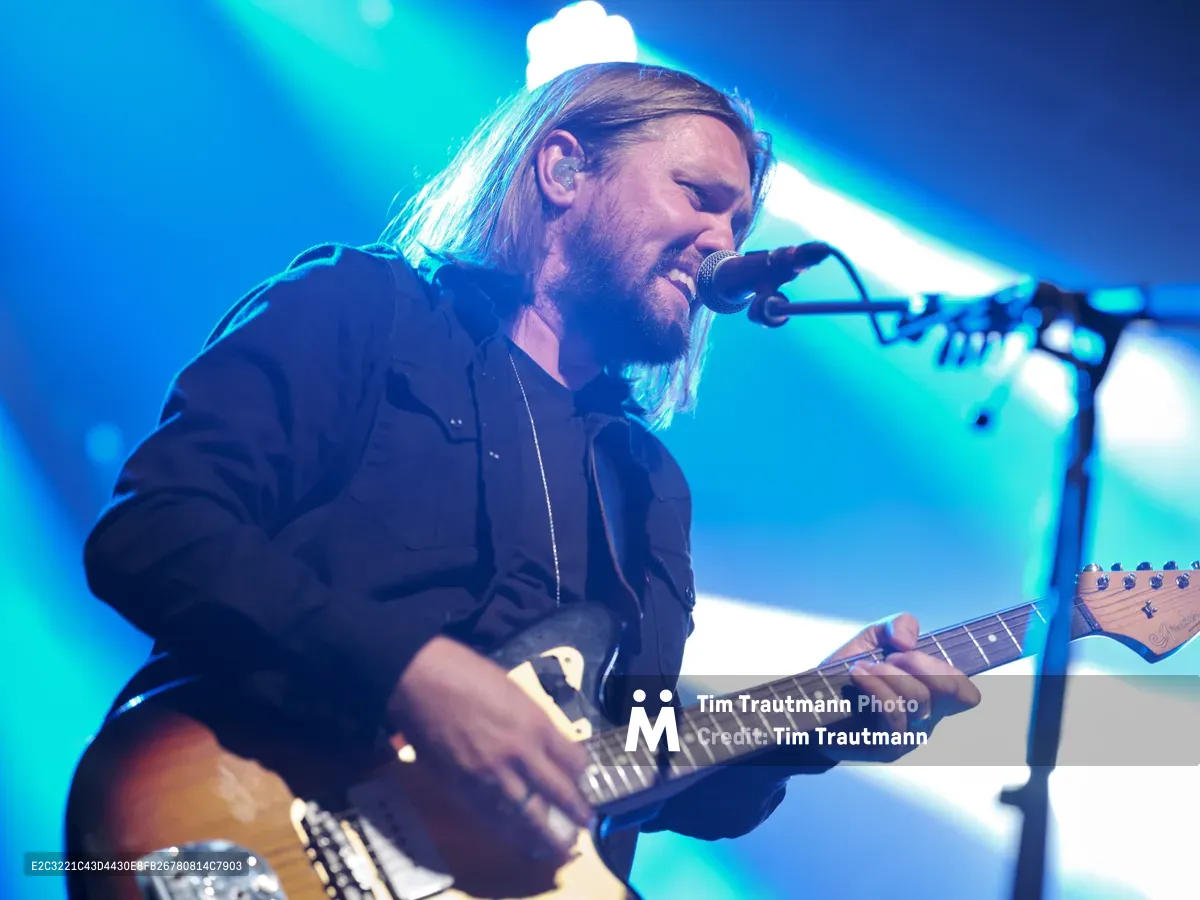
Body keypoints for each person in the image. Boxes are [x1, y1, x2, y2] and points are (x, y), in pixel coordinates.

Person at [83, 62, 980, 882]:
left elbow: (638, 756)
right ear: (562, 171)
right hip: (243, 825)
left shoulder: (647, 482)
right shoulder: (364, 308)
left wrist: (816, 723)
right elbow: (155, 532)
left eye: (739, 222)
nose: (723, 240)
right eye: (698, 197)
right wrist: (412, 675)